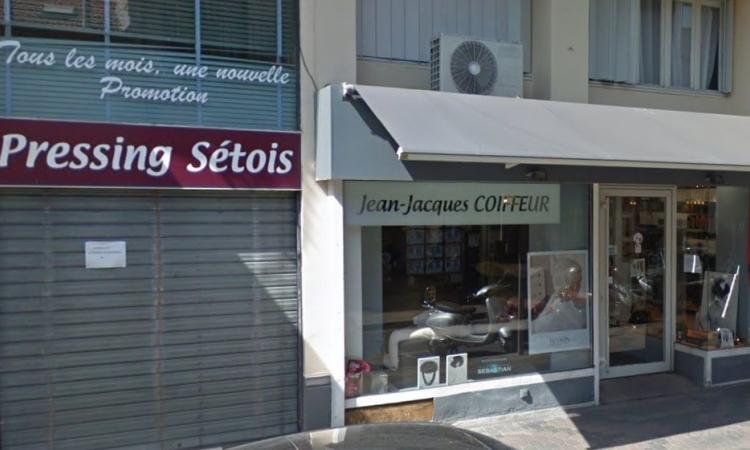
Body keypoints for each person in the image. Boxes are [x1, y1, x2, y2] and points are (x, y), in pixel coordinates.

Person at [532, 258, 587, 333]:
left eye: (579, 282)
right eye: (573, 285)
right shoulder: (557, 301)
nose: (577, 287)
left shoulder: (564, 306)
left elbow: (539, 327)